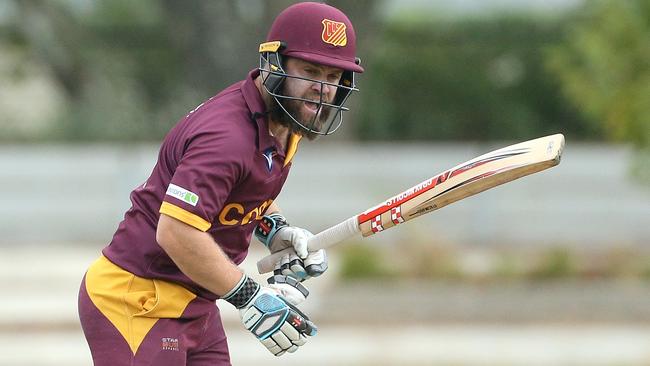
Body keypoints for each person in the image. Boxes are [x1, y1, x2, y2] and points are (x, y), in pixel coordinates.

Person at [77, 2, 364, 365]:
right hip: (137, 298)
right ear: (275, 65)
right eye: (310, 71)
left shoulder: (281, 123)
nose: (321, 90)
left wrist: (275, 230)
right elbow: (177, 231)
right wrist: (250, 296)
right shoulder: (227, 137)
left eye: (333, 77)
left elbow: (242, 193)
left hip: (195, 299)